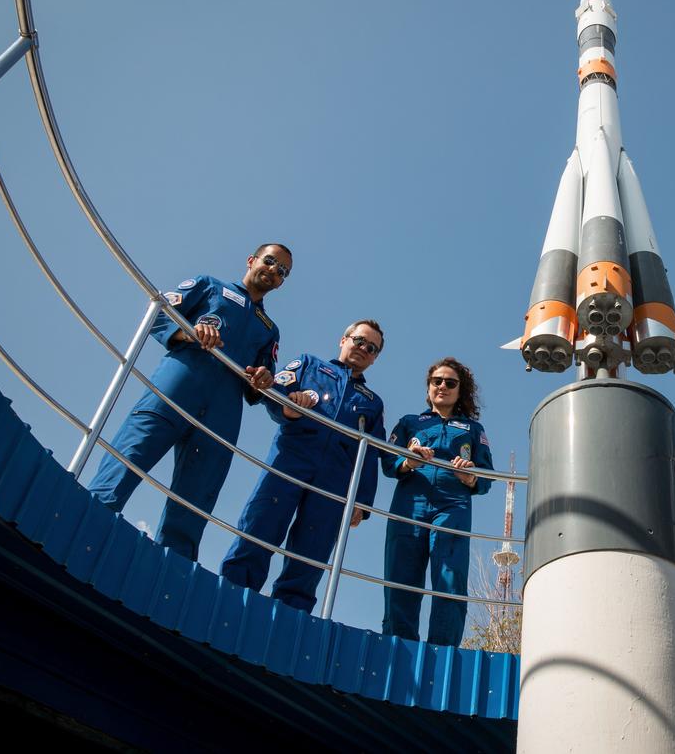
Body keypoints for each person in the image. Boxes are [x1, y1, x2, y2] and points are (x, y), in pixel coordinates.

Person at [88, 244, 288, 561]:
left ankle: (175, 566)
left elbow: (260, 386)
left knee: (198, 492)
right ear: (251, 260)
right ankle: (86, 520)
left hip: (224, 409)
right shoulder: (210, 286)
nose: (274, 270)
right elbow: (159, 314)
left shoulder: (270, 330)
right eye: (270, 261)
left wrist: (263, 380)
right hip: (179, 383)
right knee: (130, 454)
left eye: (282, 271)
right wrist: (189, 334)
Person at [220, 320, 387, 613]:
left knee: (312, 553)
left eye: (371, 348)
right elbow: (276, 392)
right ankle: (230, 601)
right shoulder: (309, 364)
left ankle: (288, 620)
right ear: (343, 339)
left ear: (375, 358)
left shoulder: (373, 403)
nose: (363, 349)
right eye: (359, 340)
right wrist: (288, 407)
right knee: (259, 527)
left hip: (333, 482)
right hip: (290, 460)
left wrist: (362, 501)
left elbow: (371, 453)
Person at [381, 357, 493, 646]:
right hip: (411, 501)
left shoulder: (472, 429)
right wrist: (408, 462)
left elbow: (487, 475)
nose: (442, 386)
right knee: (401, 573)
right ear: (429, 387)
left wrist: (470, 477)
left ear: (460, 390)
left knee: (450, 575)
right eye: (437, 381)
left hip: (452, 505)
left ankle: (443, 652)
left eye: (450, 383)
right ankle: (398, 645)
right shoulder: (410, 423)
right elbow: (387, 460)